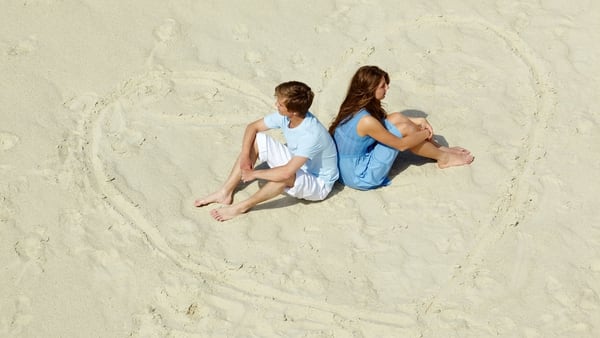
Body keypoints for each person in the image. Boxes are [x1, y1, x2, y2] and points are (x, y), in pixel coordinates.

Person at [194, 81, 339, 221]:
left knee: (282, 176)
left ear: (293, 111)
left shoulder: (311, 135)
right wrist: (245, 155)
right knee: (257, 140)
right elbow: (253, 127)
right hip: (299, 163)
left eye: (280, 104)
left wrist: (254, 174)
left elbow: (286, 172)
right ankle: (224, 192)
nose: (276, 105)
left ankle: (241, 207)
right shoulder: (289, 116)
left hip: (319, 183)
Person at [328, 65, 474, 190]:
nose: (387, 87)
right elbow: (401, 145)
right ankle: (444, 158)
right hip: (359, 175)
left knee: (398, 117)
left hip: (346, 165)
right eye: (382, 86)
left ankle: (439, 150)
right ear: (370, 90)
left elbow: (383, 121)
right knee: (404, 130)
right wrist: (425, 133)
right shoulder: (366, 121)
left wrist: (418, 120)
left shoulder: (355, 105)